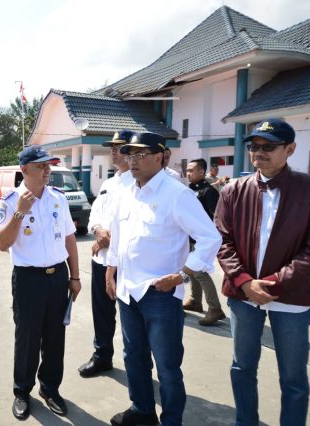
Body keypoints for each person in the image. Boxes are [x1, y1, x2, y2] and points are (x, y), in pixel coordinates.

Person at [214, 118, 310, 426]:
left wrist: (271, 284)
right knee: (242, 368)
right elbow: (222, 240)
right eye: (255, 146)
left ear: (290, 149)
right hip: (243, 296)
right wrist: (243, 282)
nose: (259, 152)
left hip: (291, 297)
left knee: (293, 376)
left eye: (269, 146)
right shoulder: (233, 191)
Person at [106, 132, 221, 426]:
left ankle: (171, 421)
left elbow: (210, 238)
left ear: (160, 157)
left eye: (140, 154)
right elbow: (118, 236)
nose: (132, 160)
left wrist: (183, 274)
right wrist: (111, 268)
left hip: (160, 294)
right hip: (128, 291)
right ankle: (142, 410)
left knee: (167, 367)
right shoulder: (126, 191)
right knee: (133, 356)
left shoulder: (176, 194)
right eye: (129, 154)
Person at [0, 145, 81, 421]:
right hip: (28, 279)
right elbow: (1, 244)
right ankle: (22, 391)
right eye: (41, 165)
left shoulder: (58, 198)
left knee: (55, 337)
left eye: (49, 165)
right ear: (24, 169)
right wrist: (20, 211)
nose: (47, 170)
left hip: (58, 277)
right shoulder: (9, 201)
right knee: (28, 338)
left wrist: (75, 276)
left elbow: (69, 238)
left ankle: (51, 389)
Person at [78, 130, 135, 378]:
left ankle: (139, 362)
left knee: (133, 316)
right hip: (102, 260)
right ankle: (102, 356)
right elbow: (95, 214)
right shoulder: (109, 183)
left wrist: (107, 239)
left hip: (128, 261)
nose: (113, 151)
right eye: (111, 147)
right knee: (102, 312)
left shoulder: (139, 181)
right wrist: (98, 230)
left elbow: (134, 222)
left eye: (119, 146)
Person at [183, 158, 226, 326]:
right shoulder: (189, 190)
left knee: (199, 272)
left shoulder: (209, 191)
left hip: (202, 240)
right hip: (189, 238)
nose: (188, 173)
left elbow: (217, 217)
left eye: (191, 170)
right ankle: (195, 300)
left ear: (202, 172)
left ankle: (215, 308)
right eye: (187, 170)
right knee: (191, 269)